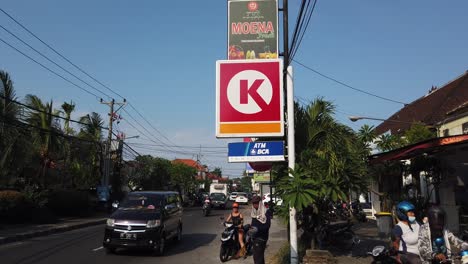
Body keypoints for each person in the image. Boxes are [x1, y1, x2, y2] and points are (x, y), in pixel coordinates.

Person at [250, 195, 271, 264]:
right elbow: (253, 223)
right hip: (255, 237)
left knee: (258, 257)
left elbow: (267, 225)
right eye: (253, 203)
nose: (254, 205)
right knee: (258, 257)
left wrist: (258, 229)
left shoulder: (266, 212)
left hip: (262, 238)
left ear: (260, 203)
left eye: (256, 203)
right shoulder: (254, 212)